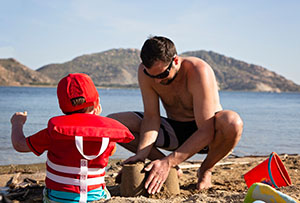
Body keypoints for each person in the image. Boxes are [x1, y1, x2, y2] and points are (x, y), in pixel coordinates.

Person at [108, 36, 243, 194]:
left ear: (176, 61)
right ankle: (164, 164)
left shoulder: (198, 70)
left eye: (162, 75)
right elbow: (151, 118)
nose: (157, 81)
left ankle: (206, 169)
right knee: (112, 124)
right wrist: (141, 154)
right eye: (152, 76)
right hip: (175, 132)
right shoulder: (145, 72)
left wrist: (169, 161)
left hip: (209, 136)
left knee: (232, 122)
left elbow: (206, 130)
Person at [11, 73, 134, 202]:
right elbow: (112, 151)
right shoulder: (106, 136)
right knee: (105, 193)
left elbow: (19, 145)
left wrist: (17, 123)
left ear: (62, 106)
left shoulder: (54, 133)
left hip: (57, 198)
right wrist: (96, 123)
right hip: (95, 198)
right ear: (97, 103)